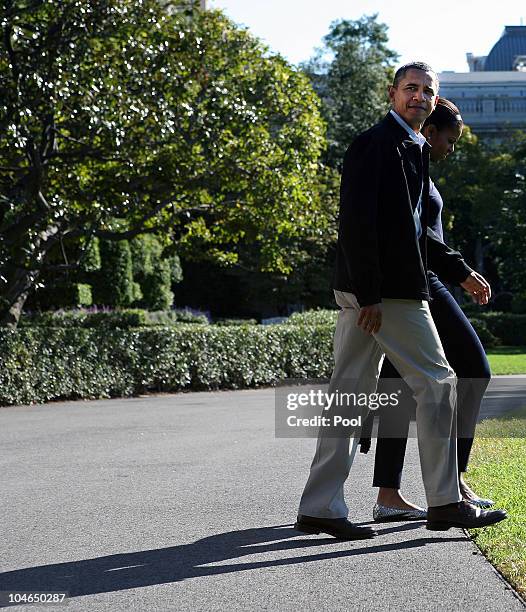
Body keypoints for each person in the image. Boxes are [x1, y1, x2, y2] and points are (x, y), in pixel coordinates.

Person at [294, 63, 507, 540]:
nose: (419, 96)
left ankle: (320, 507)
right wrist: (370, 294)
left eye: (428, 91)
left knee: (347, 396)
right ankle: (447, 501)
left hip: (373, 291)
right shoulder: (379, 144)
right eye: (411, 88)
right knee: (438, 383)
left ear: (434, 101)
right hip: (385, 294)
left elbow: (412, 233)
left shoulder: (411, 147)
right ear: (392, 93)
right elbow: (356, 224)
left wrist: (458, 271)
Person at [360, 99, 494, 523]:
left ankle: (392, 494)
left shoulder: (419, 164)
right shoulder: (407, 159)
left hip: (417, 282)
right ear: (431, 132)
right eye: (450, 140)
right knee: (473, 368)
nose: (451, 149)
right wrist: (462, 270)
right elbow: (412, 237)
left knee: (399, 386)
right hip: (421, 282)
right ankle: (448, 483)